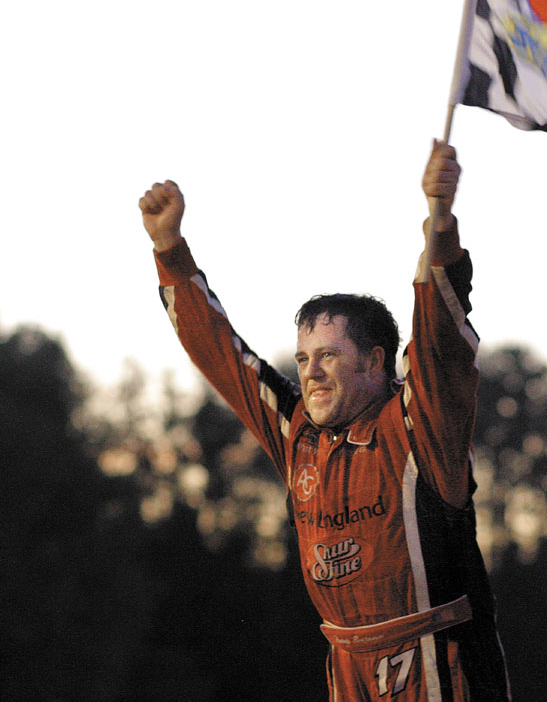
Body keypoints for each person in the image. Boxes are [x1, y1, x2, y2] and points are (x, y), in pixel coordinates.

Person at [139, 141, 511, 700]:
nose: (311, 373)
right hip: (346, 666)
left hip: (441, 660)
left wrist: (439, 221)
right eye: (304, 359)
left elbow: (438, 337)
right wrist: (169, 248)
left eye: (330, 356)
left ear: (375, 362)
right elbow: (224, 355)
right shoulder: (297, 433)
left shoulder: (419, 424)